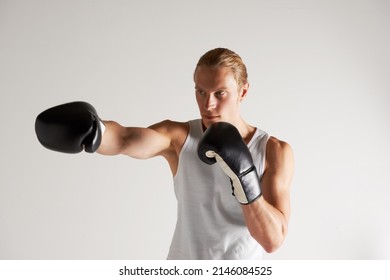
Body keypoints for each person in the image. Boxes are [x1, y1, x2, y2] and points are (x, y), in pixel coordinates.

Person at [35, 48, 294, 260]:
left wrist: (245, 179)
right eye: (200, 92)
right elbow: (124, 138)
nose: (208, 104)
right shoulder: (179, 137)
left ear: (243, 91)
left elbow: (272, 240)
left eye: (220, 93)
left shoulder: (273, 151)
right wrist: (96, 130)